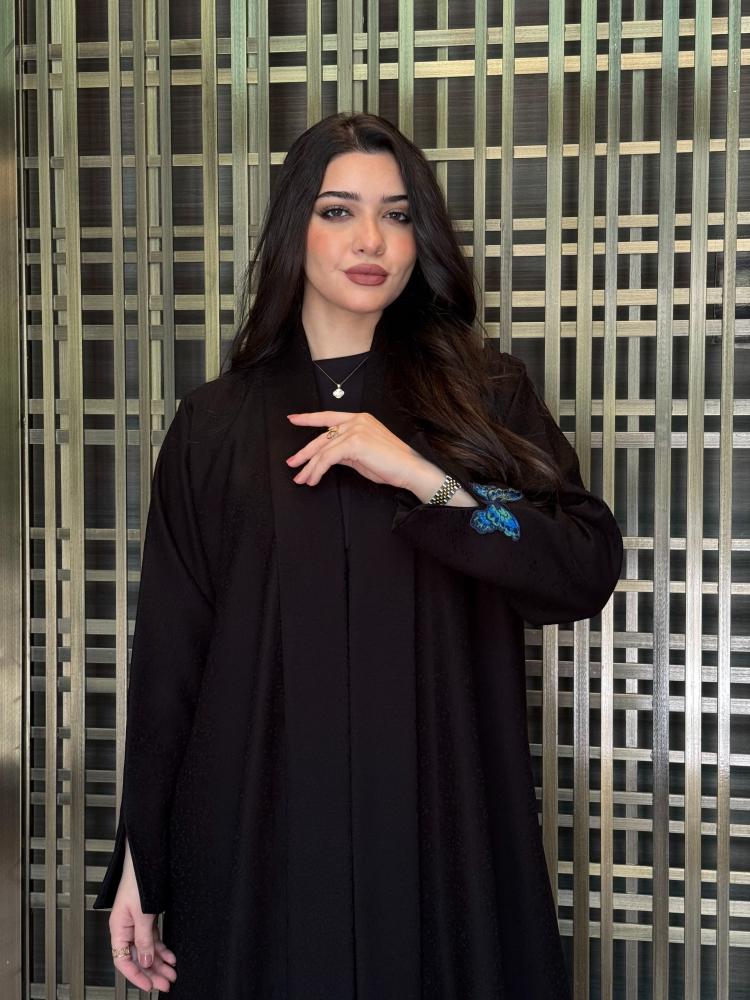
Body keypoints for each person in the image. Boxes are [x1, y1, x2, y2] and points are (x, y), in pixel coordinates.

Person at [93, 111, 623, 999]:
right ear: (293, 226)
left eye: (398, 214)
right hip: (254, 827)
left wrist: (425, 478)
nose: (371, 239)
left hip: (441, 825)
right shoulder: (215, 424)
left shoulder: (486, 396)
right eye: (338, 210)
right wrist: (142, 859)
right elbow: (172, 656)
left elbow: (580, 565)